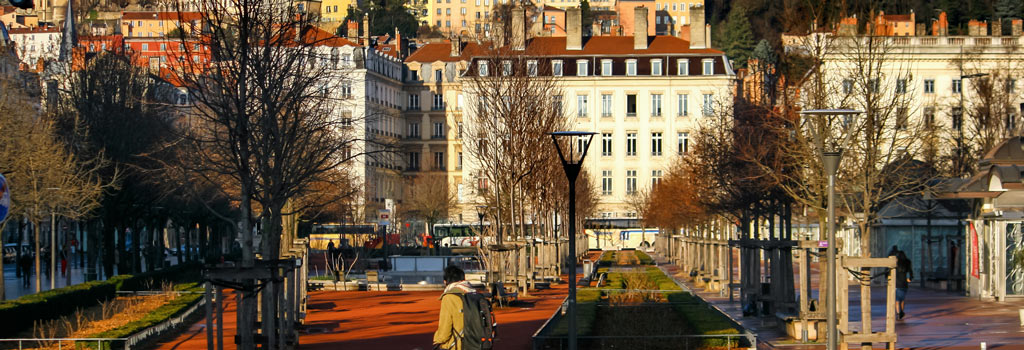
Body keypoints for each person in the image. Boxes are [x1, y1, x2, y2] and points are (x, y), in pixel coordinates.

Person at [433, 265, 474, 350]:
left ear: (445, 282)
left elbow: (445, 329)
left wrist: (438, 340)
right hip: (476, 342)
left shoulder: (449, 297)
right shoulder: (473, 294)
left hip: (457, 344)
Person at [895, 250, 913, 320]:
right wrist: (910, 279)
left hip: (897, 283)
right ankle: (902, 311)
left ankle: (898, 313)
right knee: (902, 299)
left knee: (897, 300)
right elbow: (911, 272)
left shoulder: (896, 263)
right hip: (904, 283)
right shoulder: (907, 262)